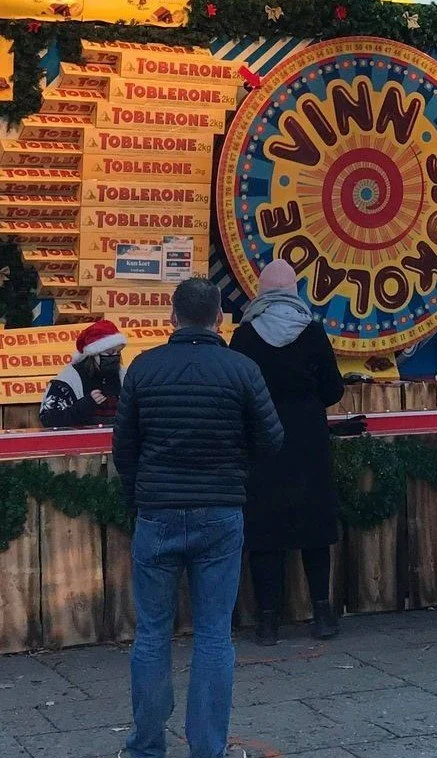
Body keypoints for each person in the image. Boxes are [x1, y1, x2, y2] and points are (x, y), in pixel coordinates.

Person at [112, 276, 283, 758]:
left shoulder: (144, 368)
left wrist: (140, 496)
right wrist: (235, 468)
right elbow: (271, 440)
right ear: (220, 319)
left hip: (157, 512)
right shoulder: (242, 369)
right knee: (213, 635)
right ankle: (208, 749)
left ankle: (146, 748)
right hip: (220, 513)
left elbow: (124, 448)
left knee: (151, 634)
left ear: (173, 317)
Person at [229, 260, 345, 645]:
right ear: (294, 290)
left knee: (265, 531)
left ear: (261, 291)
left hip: (263, 439)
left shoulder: (245, 336)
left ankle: (267, 622)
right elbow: (333, 389)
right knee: (314, 528)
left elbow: (236, 391)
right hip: (308, 439)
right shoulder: (312, 332)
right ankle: (322, 614)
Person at [40, 318, 127, 428]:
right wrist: (84, 405)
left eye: (118, 352)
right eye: (109, 353)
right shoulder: (68, 380)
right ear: (93, 353)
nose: (114, 356)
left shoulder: (124, 376)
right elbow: (48, 419)